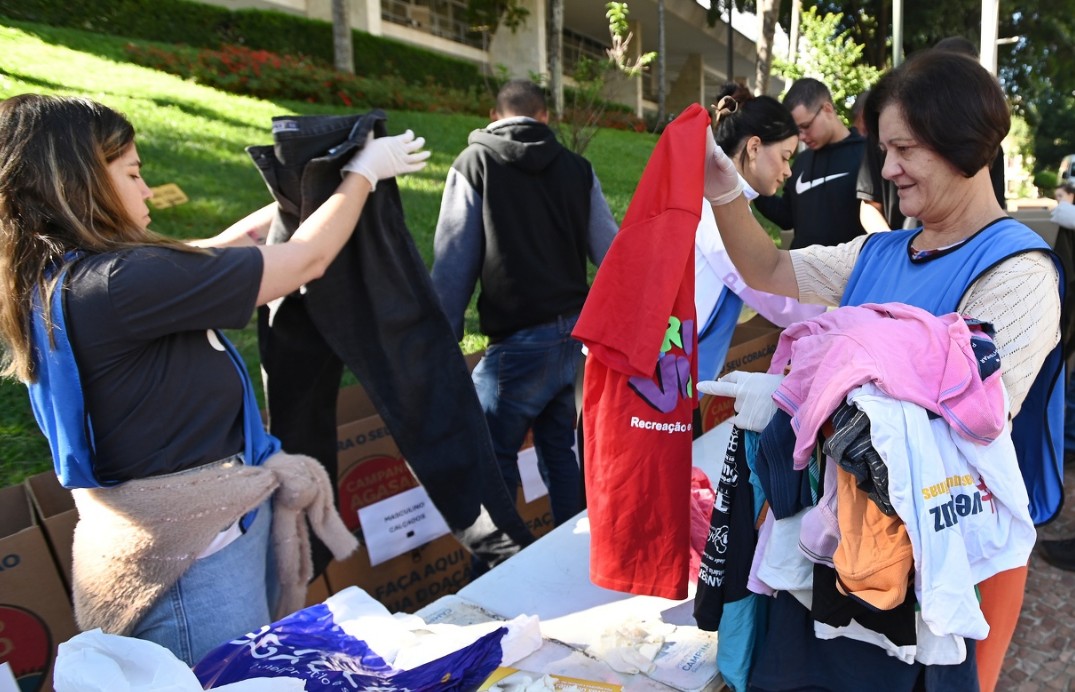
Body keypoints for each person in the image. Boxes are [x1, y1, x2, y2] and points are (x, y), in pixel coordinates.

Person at [0, 94, 428, 665]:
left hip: (187, 539)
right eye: (132, 173)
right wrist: (360, 177)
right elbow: (306, 260)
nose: (148, 190)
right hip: (189, 567)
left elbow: (219, 250)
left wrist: (304, 197)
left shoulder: (71, 280)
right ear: (78, 182)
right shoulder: (123, 283)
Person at [699, 50, 1062, 692]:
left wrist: (819, 375)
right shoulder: (880, 251)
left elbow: (958, 431)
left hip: (935, 576)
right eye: (884, 149)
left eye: (904, 149)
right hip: (842, 554)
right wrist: (723, 186)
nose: (888, 169)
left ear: (966, 149)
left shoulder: (1018, 275)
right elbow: (771, 272)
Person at [431, 79, 618, 527]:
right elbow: (611, 252)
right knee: (560, 450)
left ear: (495, 117)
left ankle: (497, 566)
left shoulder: (473, 163)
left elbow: (453, 261)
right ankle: (574, 554)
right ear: (545, 117)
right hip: (575, 337)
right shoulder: (577, 167)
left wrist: (441, 341)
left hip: (516, 345)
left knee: (490, 460)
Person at [696, 82, 826, 381]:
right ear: (754, 148)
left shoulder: (719, 198)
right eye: (785, 156)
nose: (788, 170)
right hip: (651, 372)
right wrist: (828, 310)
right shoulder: (715, 206)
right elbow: (764, 282)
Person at [753, 77, 867, 249]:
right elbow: (786, 217)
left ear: (827, 109)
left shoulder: (866, 154)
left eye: (805, 126)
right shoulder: (801, 162)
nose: (802, 136)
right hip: (801, 271)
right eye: (797, 130)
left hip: (853, 272)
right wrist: (754, 182)